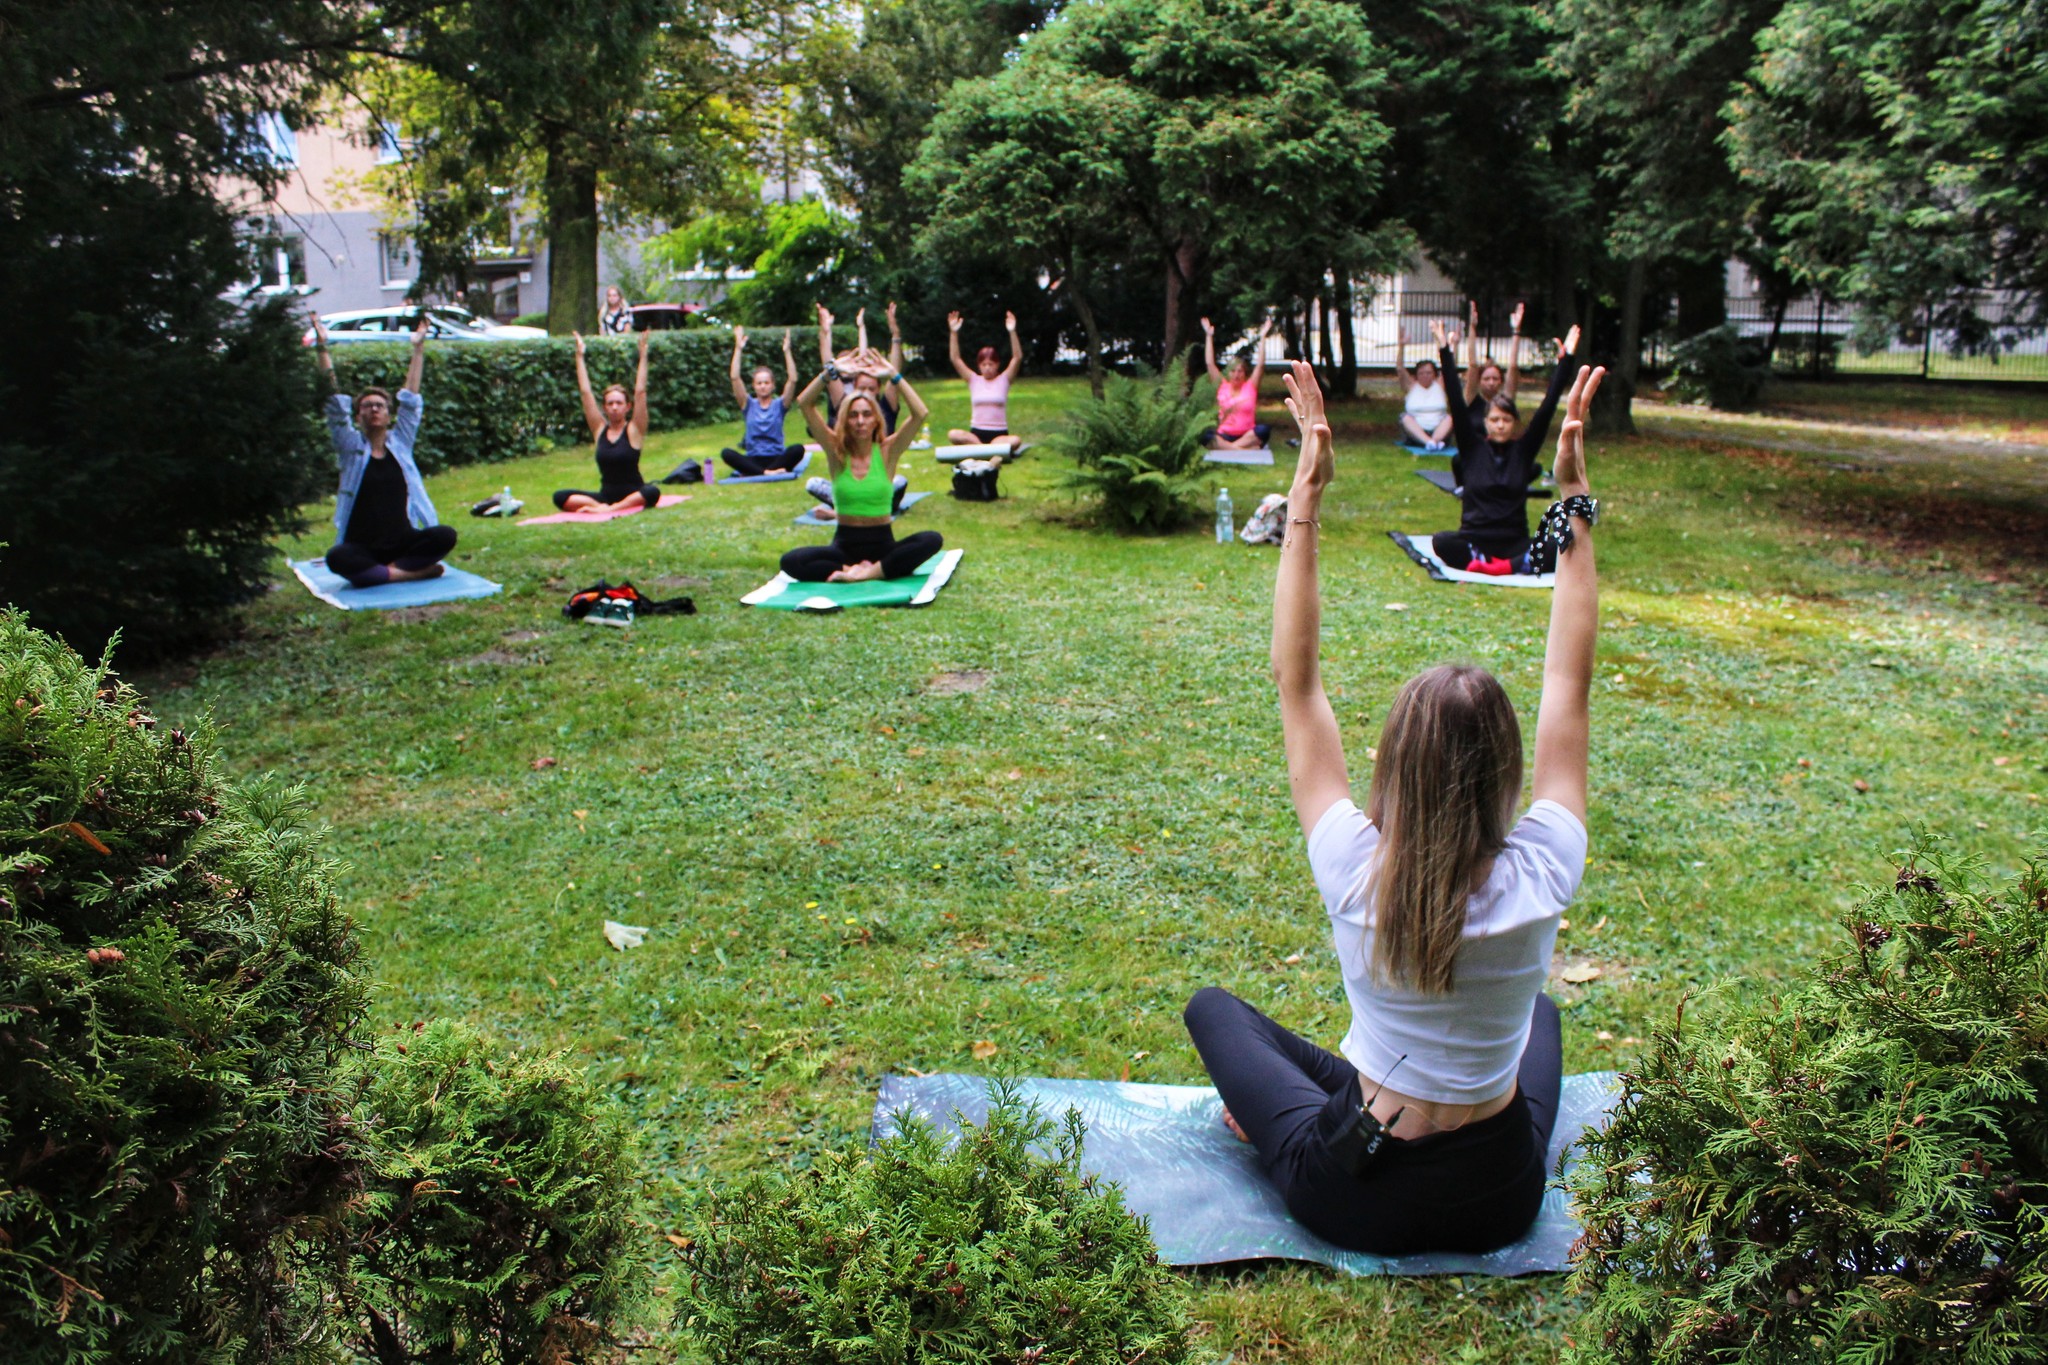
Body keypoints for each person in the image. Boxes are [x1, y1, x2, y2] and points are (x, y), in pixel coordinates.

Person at [1183, 357, 1606, 1258]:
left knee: (1217, 1010)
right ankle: (1360, 1091)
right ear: (1505, 770)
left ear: (1394, 765)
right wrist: (1570, 499)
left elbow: (1297, 685)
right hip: (1501, 1196)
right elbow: (1569, 681)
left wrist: (1306, 497)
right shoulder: (1544, 868)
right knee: (1541, 1017)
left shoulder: (1354, 867)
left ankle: (1286, 1128)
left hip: (1356, 1193)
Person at [313, 314, 457, 588]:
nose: (374, 409)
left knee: (445, 535)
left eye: (380, 405)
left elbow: (412, 402)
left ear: (389, 415)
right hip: (363, 547)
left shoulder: (399, 445)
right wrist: (322, 349)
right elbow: (334, 405)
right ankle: (410, 574)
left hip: (401, 544)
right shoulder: (351, 448)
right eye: (366, 406)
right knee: (337, 558)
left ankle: (381, 574)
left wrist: (418, 349)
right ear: (358, 417)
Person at [1432, 318, 1582, 575]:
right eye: (1494, 420)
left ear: (1514, 423)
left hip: (1514, 542)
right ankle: (1504, 565)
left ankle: (1497, 566)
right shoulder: (1472, 449)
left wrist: (1566, 360)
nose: (1500, 425)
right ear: (1486, 423)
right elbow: (1456, 402)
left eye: (1506, 420)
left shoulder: (1523, 452)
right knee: (1441, 541)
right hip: (1474, 537)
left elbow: (1546, 409)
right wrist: (1445, 351)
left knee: (1560, 546)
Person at [779, 353, 939, 583]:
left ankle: (865, 574)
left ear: (876, 419)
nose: (861, 421)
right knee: (791, 561)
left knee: (931, 539)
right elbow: (804, 403)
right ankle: (858, 569)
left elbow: (920, 413)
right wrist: (829, 372)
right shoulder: (836, 452)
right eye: (853, 415)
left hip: (883, 544)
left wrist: (893, 375)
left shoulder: (887, 451)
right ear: (845, 420)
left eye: (866, 414)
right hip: (844, 546)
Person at [552, 329, 662, 514]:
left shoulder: (634, 429)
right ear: (604, 408)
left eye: (619, 403)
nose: (614, 407)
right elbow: (586, 394)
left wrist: (643, 356)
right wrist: (579, 356)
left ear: (628, 407)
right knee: (560, 496)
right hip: (605, 495)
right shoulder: (599, 430)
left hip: (634, 494)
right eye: (610, 403)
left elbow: (640, 392)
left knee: (652, 491)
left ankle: (609, 509)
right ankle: (603, 507)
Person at [720, 327, 806, 476]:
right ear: (754, 386)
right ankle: (767, 472)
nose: (763, 386)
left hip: (777, 457)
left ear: (772, 385)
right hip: (753, 458)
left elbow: (793, 380)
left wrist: (787, 351)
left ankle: (762, 472)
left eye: (766, 382)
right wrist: (738, 348)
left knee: (798, 449)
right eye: (759, 383)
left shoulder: (780, 405)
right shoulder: (748, 404)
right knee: (726, 453)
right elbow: (734, 377)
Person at [818, 301, 902, 435]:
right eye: (862, 388)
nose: (866, 392)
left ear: (878, 389)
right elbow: (829, 370)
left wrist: (896, 336)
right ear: (854, 387)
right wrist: (824, 333)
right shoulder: (846, 407)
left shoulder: (886, 407)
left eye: (871, 389)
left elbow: (896, 374)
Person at [945, 309, 1022, 451]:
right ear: (979, 366)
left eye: (991, 364)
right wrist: (953, 332)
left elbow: (1017, 358)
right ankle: (984, 448)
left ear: (997, 365)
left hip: (999, 436)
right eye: (984, 365)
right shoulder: (973, 380)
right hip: (976, 435)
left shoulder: (1004, 380)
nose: (987, 368)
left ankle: (984, 449)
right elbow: (955, 359)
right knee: (953, 434)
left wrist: (1012, 331)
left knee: (1016, 440)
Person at [1201, 316, 1275, 449]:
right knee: (1206, 434)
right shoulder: (1222, 386)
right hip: (1225, 434)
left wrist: (1263, 336)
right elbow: (1209, 364)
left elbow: (1260, 365)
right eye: (1233, 371)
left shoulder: (1250, 387)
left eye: (1240, 371)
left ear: (1245, 374)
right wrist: (1208, 336)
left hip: (1247, 435)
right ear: (1228, 373)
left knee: (1264, 430)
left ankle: (1227, 448)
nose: (1236, 374)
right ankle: (1240, 449)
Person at [1461, 301, 1524, 431]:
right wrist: (1472, 327)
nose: (1491, 382)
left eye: (1495, 379)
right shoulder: (1471, 398)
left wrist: (1516, 331)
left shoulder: (1505, 400)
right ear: (1479, 381)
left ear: (1501, 382)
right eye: (1486, 379)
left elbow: (1512, 367)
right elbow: (1473, 365)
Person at [1397, 329, 1454, 451]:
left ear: (1434, 374)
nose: (1425, 376)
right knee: (1405, 417)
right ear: (1416, 375)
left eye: (1429, 373)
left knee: (1450, 418)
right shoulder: (1411, 386)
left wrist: (1451, 344)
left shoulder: (1439, 385)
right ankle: (1429, 442)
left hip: (1439, 430)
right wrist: (1401, 346)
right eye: (1421, 373)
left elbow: (1450, 366)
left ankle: (1434, 441)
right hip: (1416, 431)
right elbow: (1400, 369)